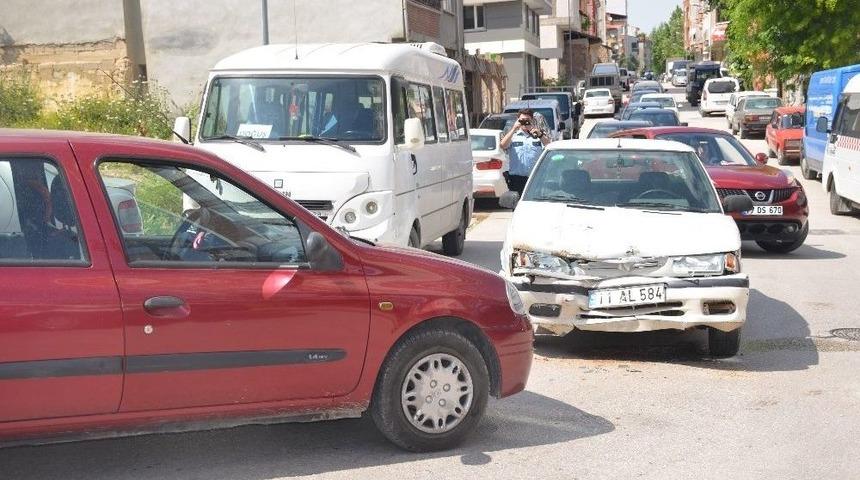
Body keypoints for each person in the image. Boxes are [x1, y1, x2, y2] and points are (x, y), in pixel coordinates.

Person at [500, 108, 551, 195]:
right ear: (517, 121)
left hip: (535, 178)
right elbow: (503, 145)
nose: (525, 123)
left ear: (532, 120)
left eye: (527, 120)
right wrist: (513, 129)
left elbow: (549, 146)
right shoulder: (513, 135)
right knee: (517, 205)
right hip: (516, 179)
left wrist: (539, 134)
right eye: (522, 121)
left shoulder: (538, 134)